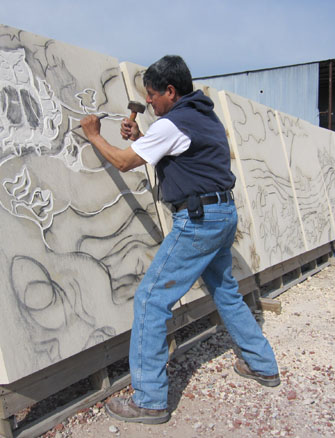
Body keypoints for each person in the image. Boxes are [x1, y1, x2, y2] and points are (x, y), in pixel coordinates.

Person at [80, 55, 279, 425]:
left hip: (199, 220)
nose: (150, 103)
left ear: (170, 92)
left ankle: (150, 400)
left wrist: (93, 135)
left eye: (153, 96)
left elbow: (124, 163)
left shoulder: (172, 124)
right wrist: (142, 139)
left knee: (151, 300)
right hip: (222, 216)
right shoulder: (205, 116)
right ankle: (262, 364)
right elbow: (184, 159)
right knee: (225, 292)